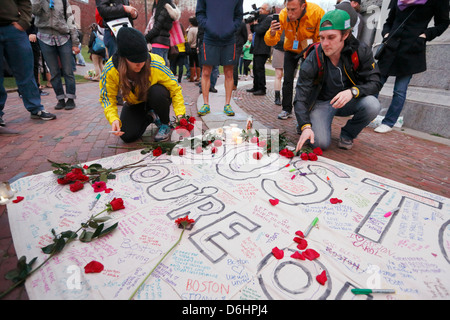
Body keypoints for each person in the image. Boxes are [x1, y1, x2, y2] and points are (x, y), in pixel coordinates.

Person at [294, 9, 381, 152]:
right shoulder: (313, 57)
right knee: (319, 143)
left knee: (372, 105)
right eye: (322, 38)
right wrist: (305, 126)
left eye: (331, 37)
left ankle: (348, 134)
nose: (325, 43)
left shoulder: (360, 51)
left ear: (345, 35)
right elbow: (300, 96)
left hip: (348, 100)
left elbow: (375, 82)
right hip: (322, 103)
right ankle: (311, 122)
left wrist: (353, 92)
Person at [373, 0, 449, 134]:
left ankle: (389, 122)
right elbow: (389, 21)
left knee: (399, 90)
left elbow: (443, 23)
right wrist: (386, 34)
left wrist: (425, 36)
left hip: (411, 50)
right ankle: (366, 114)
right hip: (390, 48)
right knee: (375, 83)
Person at [100, 27, 186, 143]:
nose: (140, 64)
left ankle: (165, 123)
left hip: (155, 97)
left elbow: (175, 89)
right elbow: (107, 97)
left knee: (157, 92)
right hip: (135, 103)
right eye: (135, 60)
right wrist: (114, 119)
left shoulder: (155, 64)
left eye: (143, 59)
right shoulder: (111, 70)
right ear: (124, 58)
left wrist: (180, 115)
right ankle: (151, 116)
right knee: (127, 136)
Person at [265, 0, 324, 120]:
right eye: (288, 9)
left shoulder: (317, 12)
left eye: (293, 10)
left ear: (303, 6)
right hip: (291, 49)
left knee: (306, 81)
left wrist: (311, 53)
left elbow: (321, 39)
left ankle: (303, 114)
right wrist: (272, 33)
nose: (290, 13)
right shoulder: (283, 14)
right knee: (287, 79)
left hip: (309, 50)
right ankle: (286, 109)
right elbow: (271, 41)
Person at [0, 0, 56, 126]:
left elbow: (25, 2)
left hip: (13, 28)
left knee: (26, 70)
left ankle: (36, 108)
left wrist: (24, 22)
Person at [196, 0, 244, 117]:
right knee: (206, 71)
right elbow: (199, 13)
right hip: (209, 38)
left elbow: (238, 16)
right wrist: (208, 26)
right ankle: (206, 104)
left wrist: (232, 28)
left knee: (229, 72)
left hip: (229, 39)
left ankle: (227, 104)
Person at [32, 0, 80, 110]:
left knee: (68, 70)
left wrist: (75, 43)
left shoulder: (63, 1)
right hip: (44, 38)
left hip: (64, 37)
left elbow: (71, 21)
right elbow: (34, 11)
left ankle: (71, 98)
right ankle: (60, 99)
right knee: (53, 72)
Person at [246, 3, 272, 96]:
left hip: (263, 48)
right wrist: (252, 24)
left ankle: (262, 88)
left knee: (260, 69)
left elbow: (260, 30)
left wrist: (255, 24)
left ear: (267, 11)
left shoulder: (269, 19)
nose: (260, 10)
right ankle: (256, 87)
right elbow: (254, 30)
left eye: (262, 8)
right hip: (257, 47)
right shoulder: (261, 19)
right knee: (256, 68)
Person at [145, 0, 180, 66]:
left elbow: (156, 28)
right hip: (165, 43)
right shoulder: (168, 11)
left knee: (157, 68)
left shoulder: (162, 11)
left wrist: (145, 38)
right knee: (164, 68)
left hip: (157, 43)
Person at [233, 20, 248, 90]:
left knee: (234, 65)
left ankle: (234, 84)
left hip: (237, 46)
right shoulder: (228, 21)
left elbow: (245, 36)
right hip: (228, 45)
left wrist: (240, 43)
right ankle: (229, 82)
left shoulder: (241, 24)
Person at [272, 32, 285, 105]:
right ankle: (277, 97)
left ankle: (286, 97)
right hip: (279, 49)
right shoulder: (278, 22)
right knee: (278, 75)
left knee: (289, 77)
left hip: (291, 50)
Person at [187, 16, 200, 82]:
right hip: (198, 48)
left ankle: (192, 77)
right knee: (198, 63)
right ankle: (198, 77)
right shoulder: (199, 29)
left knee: (191, 63)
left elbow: (189, 40)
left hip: (192, 48)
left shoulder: (191, 30)